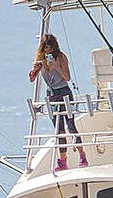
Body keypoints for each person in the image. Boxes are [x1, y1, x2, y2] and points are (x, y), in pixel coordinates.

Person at [29, 34, 88, 172]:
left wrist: (56, 66)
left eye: (49, 48)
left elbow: (67, 77)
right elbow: (32, 79)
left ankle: (82, 156)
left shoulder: (61, 57)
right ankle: (63, 161)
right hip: (51, 95)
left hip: (64, 92)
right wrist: (35, 70)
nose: (47, 52)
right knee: (59, 129)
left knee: (71, 125)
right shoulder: (41, 61)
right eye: (45, 49)